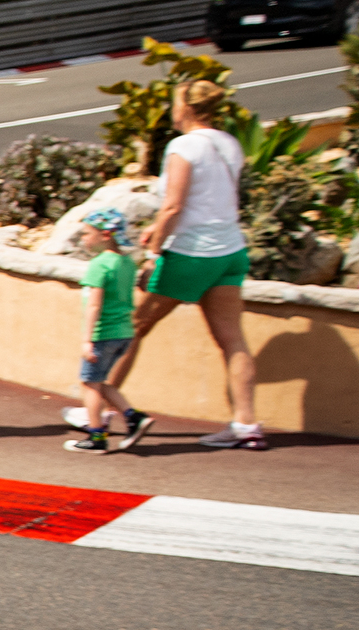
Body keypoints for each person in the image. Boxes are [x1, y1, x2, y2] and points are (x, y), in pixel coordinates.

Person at [107, 78, 262, 450]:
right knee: (232, 339)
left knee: (131, 326)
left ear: (187, 108)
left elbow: (174, 207)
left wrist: (154, 253)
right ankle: (246, 425)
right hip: (229, 251)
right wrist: (158, 231)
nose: (171, 110)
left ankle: (100, 408)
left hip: (190, 253)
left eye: (175, 103)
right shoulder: (230, 144)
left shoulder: (184, 146)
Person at [64, 209, 151, 453]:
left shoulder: (99, 265)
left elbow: (94, 305)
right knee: (102, 382)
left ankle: (96, 436)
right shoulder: (126, 263)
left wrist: (87, 340)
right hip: (124, 331)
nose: (83, 239)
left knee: (89, 383)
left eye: (86, 234)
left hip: (103, 332)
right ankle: (134, 417)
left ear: (105, 235)